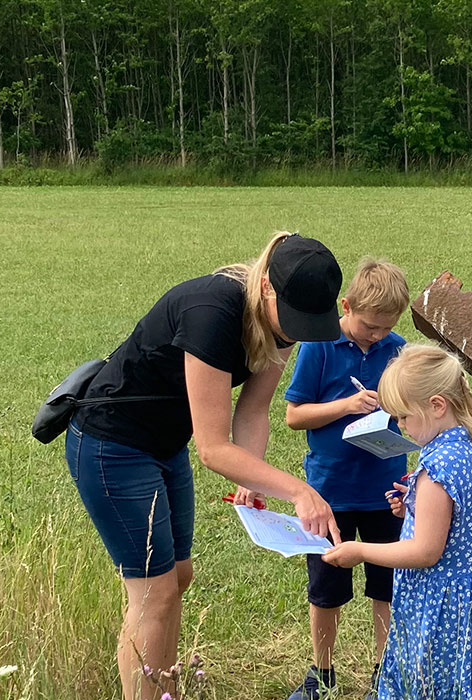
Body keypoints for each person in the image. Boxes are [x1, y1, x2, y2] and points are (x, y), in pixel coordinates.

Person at [65, 232, 345, 700]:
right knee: (153, 593)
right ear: (267, 288)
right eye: (294, 319)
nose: (296, 333)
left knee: (177, 577)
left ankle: (162, 687)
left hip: (164, 444)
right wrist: (299, 490)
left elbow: (253, 411)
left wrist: (251, 474)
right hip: (111, 444)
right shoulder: (212, 312)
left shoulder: (282, 322)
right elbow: (213, 449)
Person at [323, 345, 472, 700]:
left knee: (433, 686)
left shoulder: (437, 468)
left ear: (437, 405)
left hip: (441, 603)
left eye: (403, 417)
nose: (400, 426)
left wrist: (360, 551)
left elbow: (426, 551)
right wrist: (413, 510)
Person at [276, 257, 411, 700]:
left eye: (385, 328)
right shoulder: (318, 344)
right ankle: (322, 672)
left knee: (387, 583)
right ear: (345, 305)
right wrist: (346, 406)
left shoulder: (398, 349)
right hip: (329, 491)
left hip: (386, 489)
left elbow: (414, 416)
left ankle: (383, 670)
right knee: (326, 587)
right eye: (370, 326)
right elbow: (295, 415)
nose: (377, 336)